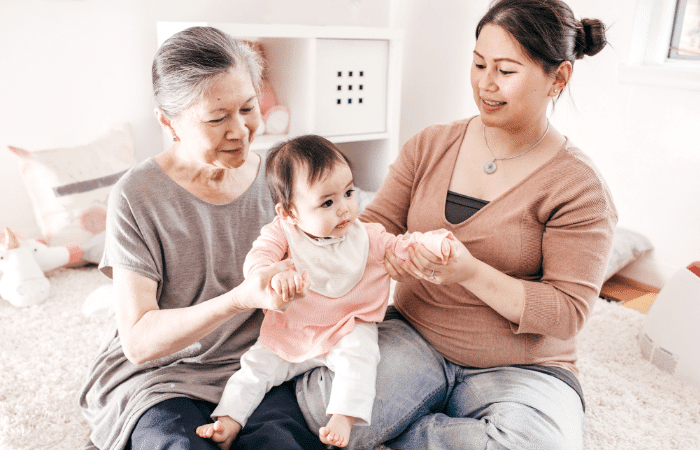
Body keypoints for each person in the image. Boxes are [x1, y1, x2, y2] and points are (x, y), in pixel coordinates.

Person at [296, 0, 617, 449]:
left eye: (506, 71)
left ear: (558, 78)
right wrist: (347, 244)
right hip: (415, 334)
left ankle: (407, 431)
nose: (486, 84)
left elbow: (566, 313)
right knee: (319, 409)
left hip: (521, 367)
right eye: (479, 63)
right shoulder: (430, 145)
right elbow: (373, 226)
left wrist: (469, 272)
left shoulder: (578, 188)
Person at [78, 27, 328, 450]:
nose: (241, 131)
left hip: (257, 366)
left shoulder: (279, 178)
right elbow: (139, 342)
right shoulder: (136, 197)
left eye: (248, 108)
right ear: (168, 121)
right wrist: (240, 298)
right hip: (162, 376)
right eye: (217, 119)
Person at [195, 134, 456, 449]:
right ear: (290, 213)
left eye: (348, 193)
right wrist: (271, 278)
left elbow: (404, 245)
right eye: (328, 202)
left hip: (344, 327)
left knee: (362, 354)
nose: (345, 209)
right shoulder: (283, 233)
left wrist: (432, 244)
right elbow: (259, 258)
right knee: (255, 367)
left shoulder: (367, 236)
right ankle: (228, 421)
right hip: (293, 330)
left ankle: (343, 417)